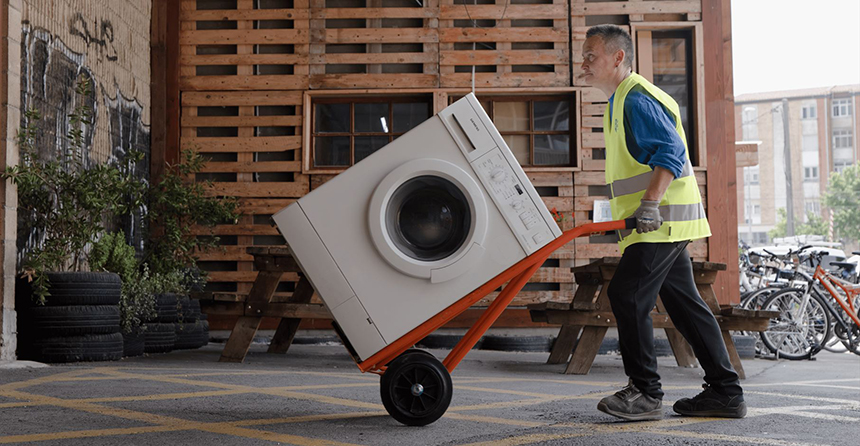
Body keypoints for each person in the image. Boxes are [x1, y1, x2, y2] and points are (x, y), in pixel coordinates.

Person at [579, 24, 746, 421]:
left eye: (591, 55)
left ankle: (646, 393)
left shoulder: (636, 99)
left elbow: (669, 153)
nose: (583, 62)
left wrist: (650, 204)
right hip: (660, 225)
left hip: (661, 222)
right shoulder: (620, 101)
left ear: (618, 58)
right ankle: (725, 392)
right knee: (685, 305)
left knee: (627, 294)